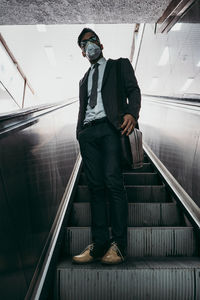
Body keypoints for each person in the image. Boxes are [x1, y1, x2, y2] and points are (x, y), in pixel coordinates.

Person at [72, 28, 141, 265]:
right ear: (82, 52)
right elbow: (83, 108)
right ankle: (99, 244)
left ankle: (119, 245)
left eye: (92, 40)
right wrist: (80, 133)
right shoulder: (82, 80)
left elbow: (133, 90)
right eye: (84, 43)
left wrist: (132, 113)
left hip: (111, 128)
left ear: (101, 44)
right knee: (95, 187)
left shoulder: (119, 65)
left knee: (113, 181)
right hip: (88, 133)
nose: (89, 45)